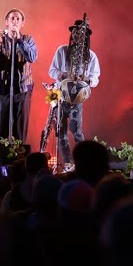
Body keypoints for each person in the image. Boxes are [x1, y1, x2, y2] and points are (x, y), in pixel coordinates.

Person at [48, 18, 101, 169]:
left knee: (76, 131)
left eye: (82, 33)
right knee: (61, 132)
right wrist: (63, 75)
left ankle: (84, 163)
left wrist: (87, 80)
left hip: (77, 98)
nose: (79, 36)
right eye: (76, 32)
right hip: (61, 95)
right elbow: (52, 70)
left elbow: (95, 77)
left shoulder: (91, 56)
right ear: (72, 34)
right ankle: (68, 164)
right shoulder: (62, 50)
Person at [0, 8, 38, 142]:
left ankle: (19, 160)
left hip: (22, 89)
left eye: (18, 19)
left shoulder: (28, 39)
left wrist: (20, 41)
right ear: (6, 22)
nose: (15, 21)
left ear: (22, 23)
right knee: (1, 127)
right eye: (12, 19)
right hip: (2, 88)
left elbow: (32, 57)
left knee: (20, 128)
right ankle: (1, 159)